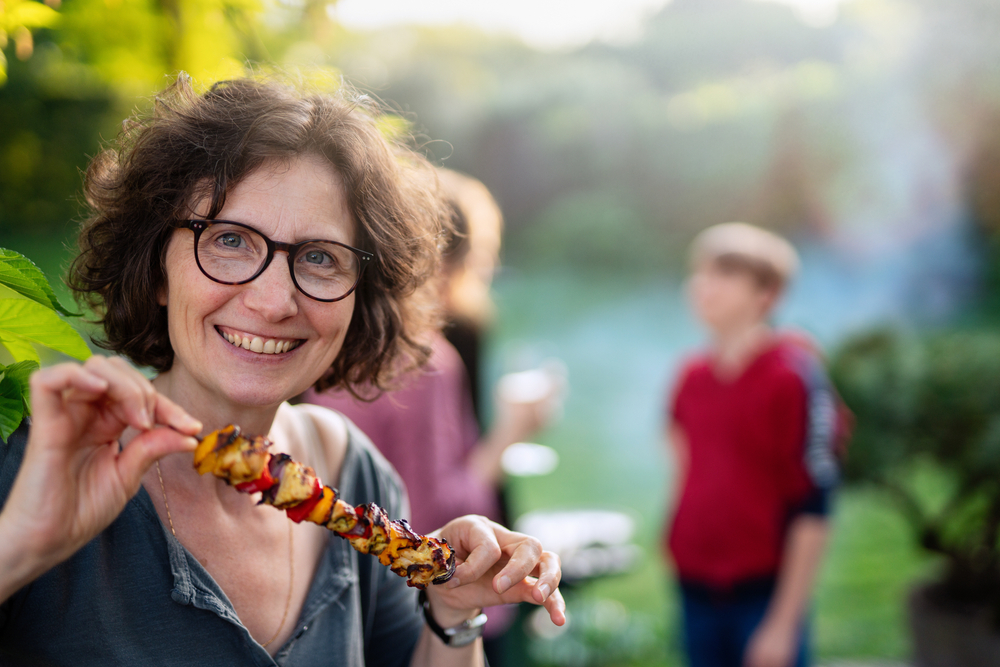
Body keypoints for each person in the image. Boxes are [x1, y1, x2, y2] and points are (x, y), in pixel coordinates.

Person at [0, 74, 564, 666]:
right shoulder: (35, 464)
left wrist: (453, 615)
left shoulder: (357, 470)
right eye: (229, 240)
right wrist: (20, 547)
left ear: (359, 297)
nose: (274, 302)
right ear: (157, 266)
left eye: (320, 258)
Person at [302, 168, 559, 667]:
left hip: (344, 603)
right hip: (425, 611)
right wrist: (509, 435)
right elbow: (440, 510)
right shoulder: (423, 361)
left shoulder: (327, 347)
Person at [663, 222, 841, 667]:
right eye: (700, 272)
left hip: (763, 591)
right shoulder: (690, 377)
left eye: (723, 274)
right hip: (694, 585)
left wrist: (783, 623)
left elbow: (814, 505)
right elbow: (684, 462)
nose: (702, 285)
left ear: (767, 294)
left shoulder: (793, 378)